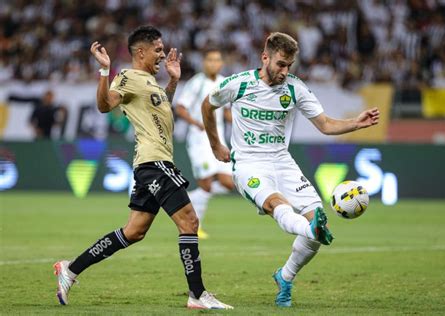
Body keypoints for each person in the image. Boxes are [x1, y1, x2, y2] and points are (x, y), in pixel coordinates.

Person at [53, 26, 232, 310]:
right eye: (158, 50)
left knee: (133, 231)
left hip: (152, 163)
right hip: (154, 163)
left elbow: (160, 109)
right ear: (141, 52)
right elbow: (104, 105)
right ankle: (197, 294)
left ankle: (71, 269)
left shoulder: (150, 83)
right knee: (189, 222)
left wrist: (173, 82)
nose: (163, 54)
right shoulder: (127, 77)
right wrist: (104, 72)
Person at [201, 32, 379, 307]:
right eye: (281, 64)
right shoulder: (239, 84)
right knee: (277, 205)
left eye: (289, 66)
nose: (285, 71)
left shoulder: (295, 89)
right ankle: (310, 231)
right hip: (249, 164)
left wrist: (356, 123)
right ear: (265, 58)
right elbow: (207, 105)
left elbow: (326, 125)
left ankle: (285, 276)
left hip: (283, 162)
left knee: (320, 221)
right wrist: (216, 145)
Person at [175, 48, 233, 239]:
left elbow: (226, 112)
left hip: (218, 139)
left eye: (217, 60)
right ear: (204, 63)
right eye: (209, 60)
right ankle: (195, 226)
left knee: (228, 183)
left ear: (221, 63)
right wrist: (197, 123)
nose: (213, 64)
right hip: (199, 139)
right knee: (206, 184)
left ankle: (190, 198)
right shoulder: (197, 83)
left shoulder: (225, 82)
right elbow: (180, 108)